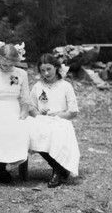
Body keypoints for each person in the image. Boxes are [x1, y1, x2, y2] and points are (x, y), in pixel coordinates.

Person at [0, 42, 30, 183]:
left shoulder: (21, 74)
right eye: (4, 64)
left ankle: (3, 165)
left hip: (14, 107)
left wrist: (24, 111)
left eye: (10, 64)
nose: (7, 67)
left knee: (16, 128)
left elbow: (25, 97)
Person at [27, 54, 80, 187]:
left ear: (56, 67)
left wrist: (57, 114)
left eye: (49, 69)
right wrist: (39, 113)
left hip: (60, 120)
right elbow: (31, 107)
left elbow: (73, 112)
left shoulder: (65, 86)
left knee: (54, 132)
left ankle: (57, 171)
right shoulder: (38, 86)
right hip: (42, 120)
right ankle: (59, 168)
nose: (46, 73)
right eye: (42, 70)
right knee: (31, 131)